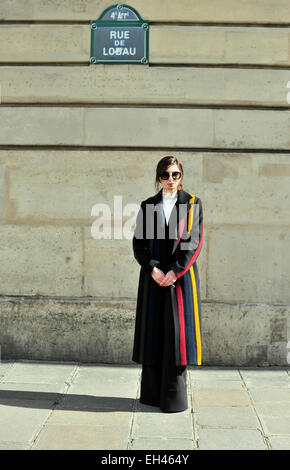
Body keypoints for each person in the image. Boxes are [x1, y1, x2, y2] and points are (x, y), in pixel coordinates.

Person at [132, 156, 204, 413]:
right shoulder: (148, 205)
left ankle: (174, 399)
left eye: (175, 174)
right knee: (152, 333)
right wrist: (152, 269)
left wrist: (174, 272)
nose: (171, 180)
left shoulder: (192, 204)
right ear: (158, 177)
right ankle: (151, 395)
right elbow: (138, 243)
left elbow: (193, 243)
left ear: (181, 176)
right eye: (165, 175)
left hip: (181, 281)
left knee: (176, 337)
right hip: (152, 279)